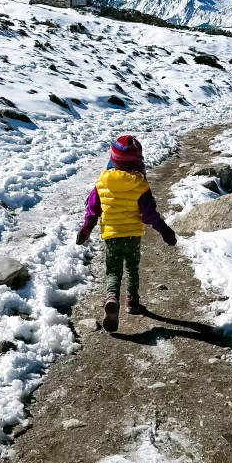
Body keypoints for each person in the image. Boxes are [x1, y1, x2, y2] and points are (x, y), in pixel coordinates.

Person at [76, 135, 177, 332]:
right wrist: (165, 230)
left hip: (111, 236)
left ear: (113, 159)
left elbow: (93, 209)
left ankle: (112, 297)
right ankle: (132, 302)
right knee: (132, 268)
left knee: (113, 270)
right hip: (132, 235)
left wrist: (87, 228)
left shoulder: (102, 182)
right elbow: (149, 215)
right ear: (138, 162)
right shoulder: (140, 185)